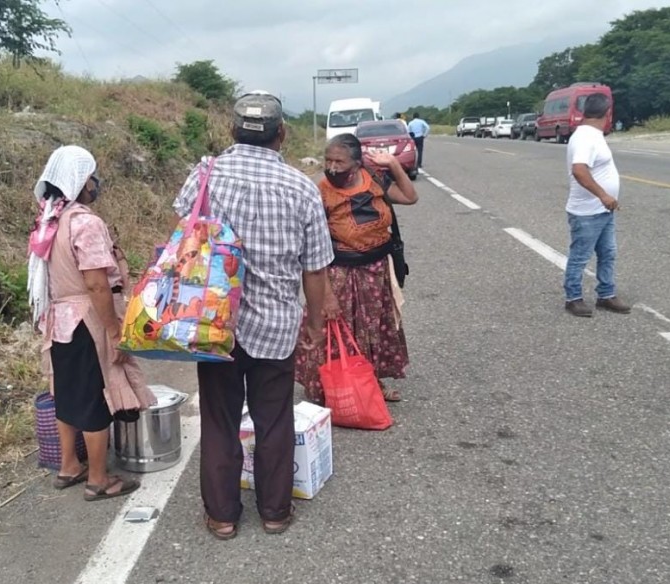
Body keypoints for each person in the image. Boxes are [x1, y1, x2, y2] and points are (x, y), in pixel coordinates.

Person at [172, 91, 333, 540]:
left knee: (220, 418)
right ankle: (275, 512)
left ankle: (223, 516)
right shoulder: (302, 188)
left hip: (213, 322)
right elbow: (315, 267)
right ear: (282, 135)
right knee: (274, 419)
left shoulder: (205, 175)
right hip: (277, 325)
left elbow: (183, 233)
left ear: (231, 131)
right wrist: (315, 325)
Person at [28, 145, 154, 500]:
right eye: (91, 177)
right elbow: (97, 282)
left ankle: (69, 465)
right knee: (97, 398)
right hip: (87, 320)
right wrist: (113, 329)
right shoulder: (84, 223)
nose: (95, 183)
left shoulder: (48, 220)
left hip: (59, 320)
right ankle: (98, 479)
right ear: (81, 181)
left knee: (67, 394)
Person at [295, 133, 418, 403]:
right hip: (339, 273)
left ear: (357, 162)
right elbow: (314, 247)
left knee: (374, 329)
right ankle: (329, 388)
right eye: (328, 161)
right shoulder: (321, 192)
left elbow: (410, 197)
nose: (332, 167)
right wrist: (325, 295)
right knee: (335, 330)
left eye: (339, 161)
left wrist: (394, 165)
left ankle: (372, 383)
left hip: (375, 271)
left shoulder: (374, 179)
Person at [563, 93, 630, 317]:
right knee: (580, 256)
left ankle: (606, 294)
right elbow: (579, 170)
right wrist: (603, 195)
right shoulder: (586, 138)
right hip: (587, 212)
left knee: (608, 253)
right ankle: (573, 298)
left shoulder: (593, 135)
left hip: (603, 210)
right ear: (608, 113)